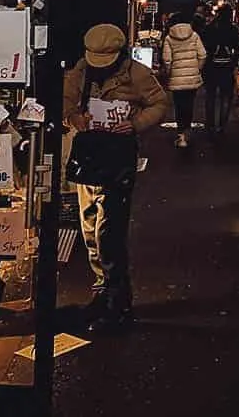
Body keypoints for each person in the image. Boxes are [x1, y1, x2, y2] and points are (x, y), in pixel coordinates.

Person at [63, 24, 167, 333]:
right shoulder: (80, 71)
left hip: (118, 157)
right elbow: (66, 98)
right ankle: (102, 291)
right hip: (89, 155)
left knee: (110, 230)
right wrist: (75, 116)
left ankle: (117, 301)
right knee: (88, 223)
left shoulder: (137, 73)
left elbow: (159, 103)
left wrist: (135, 124)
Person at [162, 15, 206, 149]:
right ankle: (187, 131)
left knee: (179, 106)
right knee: (189, 104)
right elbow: (203, 55)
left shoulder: (169, 38)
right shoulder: (194, 35)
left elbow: (167, 60)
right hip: (192, 77)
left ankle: (181, 135)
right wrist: (197, 68)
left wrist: (169, 73)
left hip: (176, 78)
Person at [203, 7, 239, 135]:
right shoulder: (233, 30)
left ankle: (210, 125)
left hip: (211, 68)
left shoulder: (209, 28)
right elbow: (238, 50)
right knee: (225, 97)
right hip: (227, 68)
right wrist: (233, 64)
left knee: (211, 97)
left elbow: (204, 49)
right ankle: (221, 126)